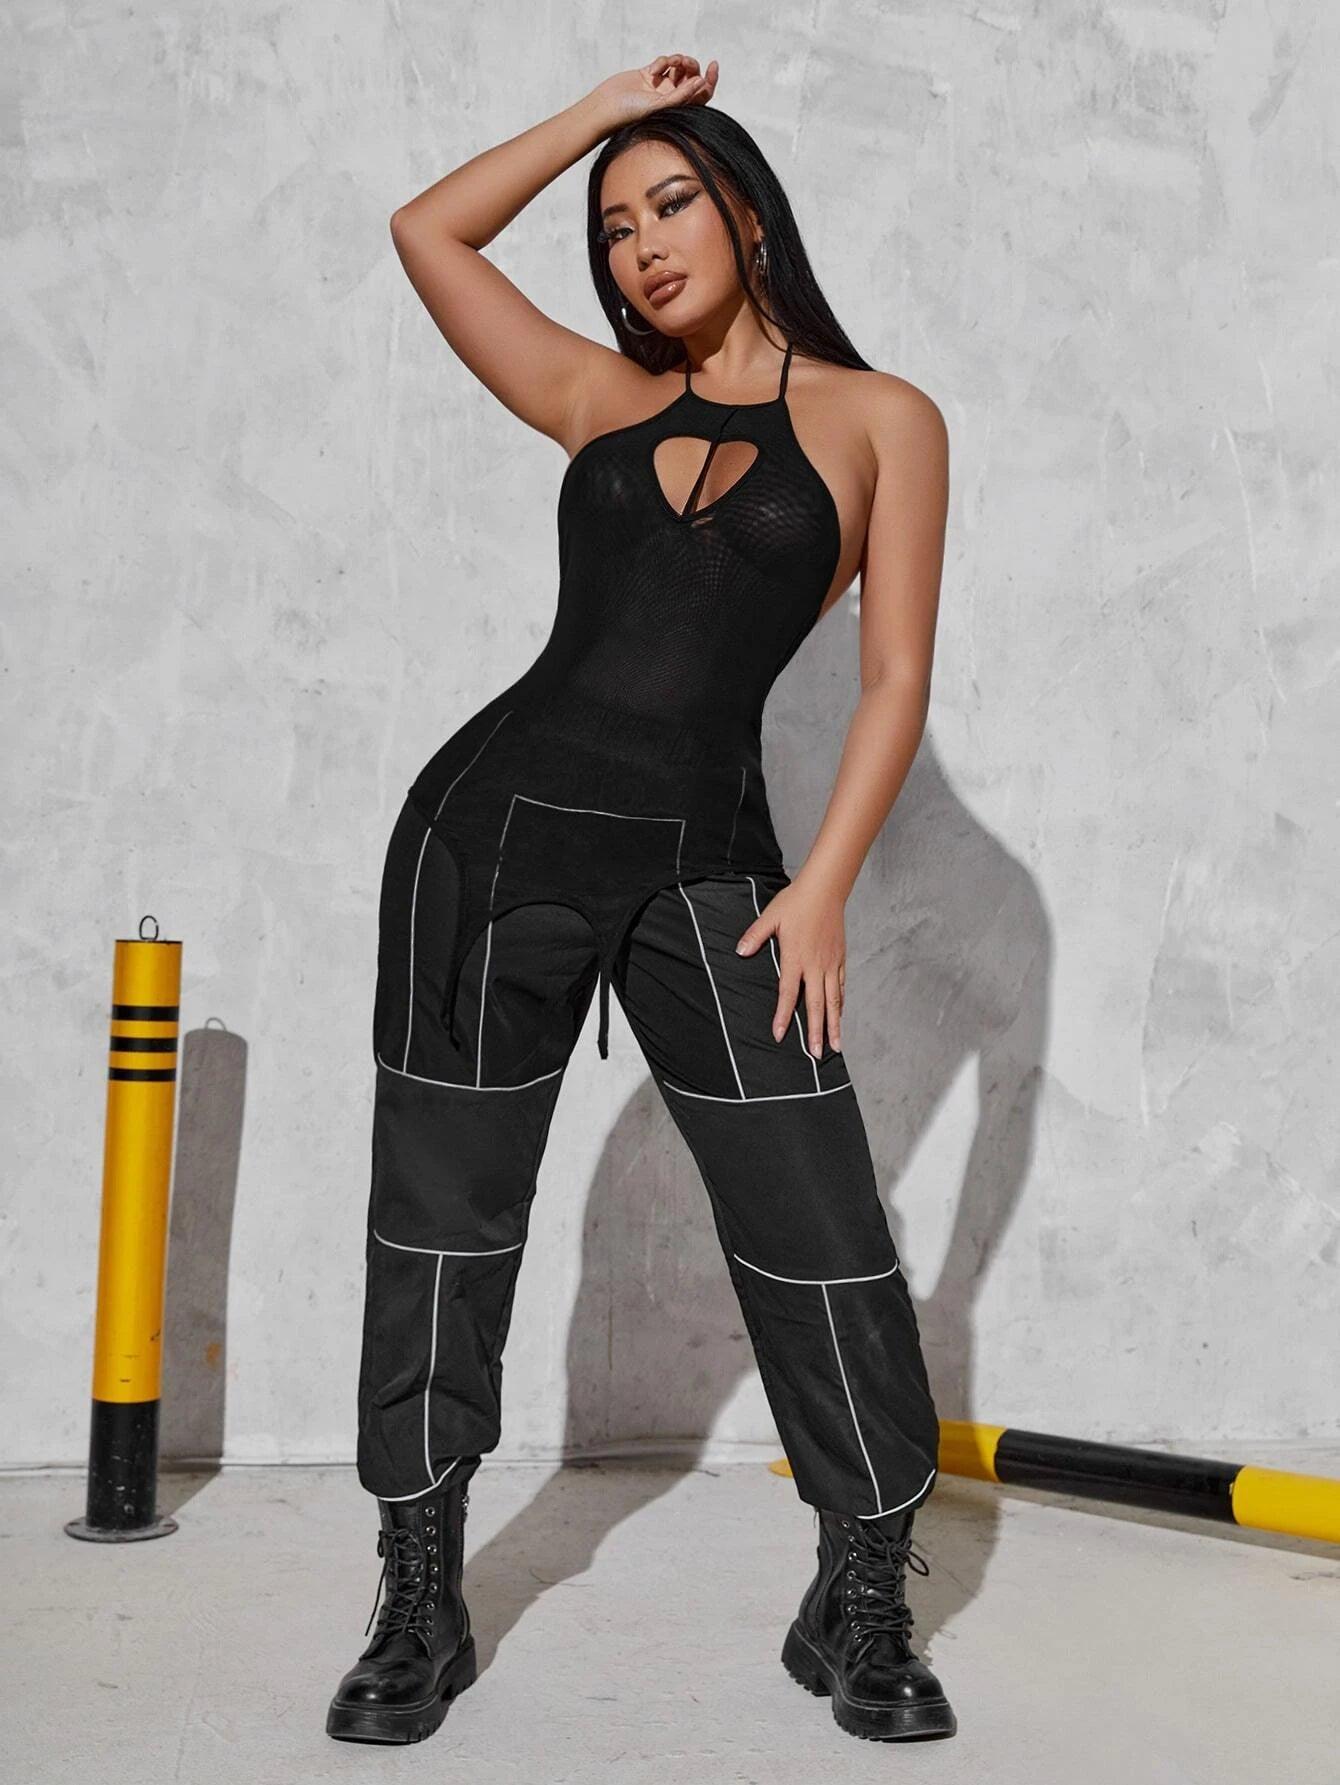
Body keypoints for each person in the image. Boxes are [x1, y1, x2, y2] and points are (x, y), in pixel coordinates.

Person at [325, 53, 953, 1748]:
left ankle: (862, 1590)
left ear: (746, 211)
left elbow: (894, 678)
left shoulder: (882, 418)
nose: (642, 245)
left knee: (819, 1221)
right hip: (488, 842)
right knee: (441, 1220)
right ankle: (419, 1589)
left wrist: (823, 886)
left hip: (710, 864)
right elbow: (427, 232)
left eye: (672, 202)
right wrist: (600, 114)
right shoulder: (600, 398)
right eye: (615, 228)